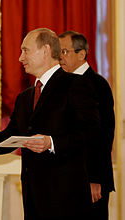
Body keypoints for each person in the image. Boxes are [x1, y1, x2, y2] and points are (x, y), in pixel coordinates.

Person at [0, 28, 100, 220]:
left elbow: (91, 133)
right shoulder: (25, 97)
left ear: (45, 50)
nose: (20, 58)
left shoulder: (76, 85)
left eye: (25, 50)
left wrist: (51, 142)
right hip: (33, 200)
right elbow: (8, 138)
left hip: (67, 200)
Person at [59, 30, 115, 220]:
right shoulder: (63, 84)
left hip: (90, 180)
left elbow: (103, 135)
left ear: (81, 54)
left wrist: (95, 178)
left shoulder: (97, 84)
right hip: (67, 179)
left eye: (64, 52)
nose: (60, 57)